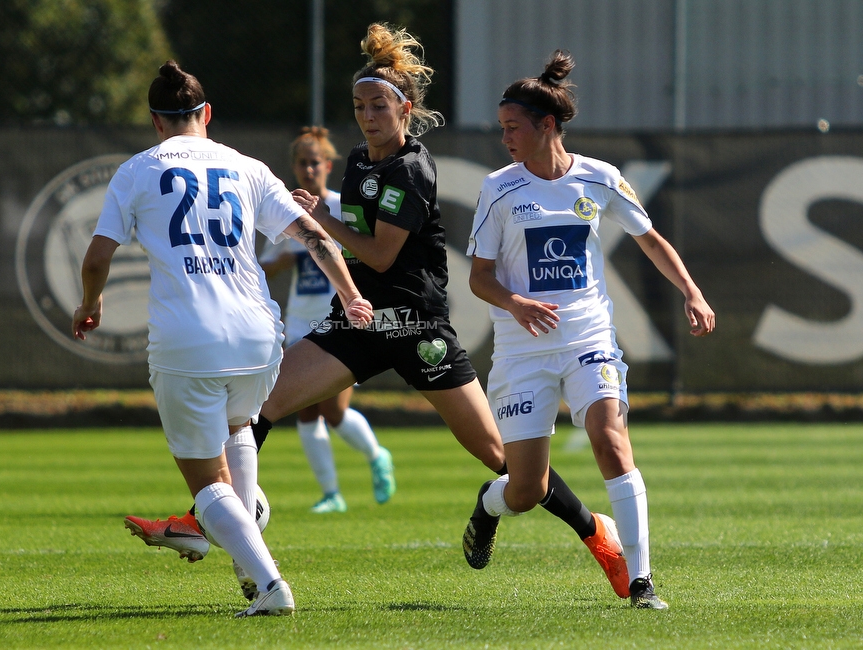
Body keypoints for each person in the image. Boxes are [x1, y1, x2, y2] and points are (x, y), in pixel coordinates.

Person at [126, 25, 632, 600]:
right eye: (360, 106)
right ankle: (216, 521)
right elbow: (357, 253)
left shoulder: (412, 169)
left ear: (405, 109)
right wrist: (333, 243)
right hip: (363, 322)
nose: (367, 116)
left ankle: (598, 533)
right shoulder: (360, 164)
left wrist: (322, 221)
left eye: (379, 106)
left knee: (506, 463)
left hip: (417, 327)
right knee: (259, 407)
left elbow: (381, 253)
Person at [72, 60, 373, 618]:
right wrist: (351, 294)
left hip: (189, 339)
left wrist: (90, 305)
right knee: (239, 429)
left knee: (207, 482)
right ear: (205, 114)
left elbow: (96, 258)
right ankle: (245, 556)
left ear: (156, 122)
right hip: (260, 334)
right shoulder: (246, 167)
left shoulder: (137, 170)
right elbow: (313, 234)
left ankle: (269, 582)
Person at [465, 50, 716, 609]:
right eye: (501, 127)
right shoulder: (499, 188)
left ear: (547, 125)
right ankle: (489, 506)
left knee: (611, 442)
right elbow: (480, 278)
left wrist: (692, 293)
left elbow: (650, 239)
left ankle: (643, 581)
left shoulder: (600, 177)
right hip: (521, 351)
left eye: (513, 127)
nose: (504, 137)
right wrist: (518, 305)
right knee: (526, 491)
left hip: (588, 339)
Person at [259, 127, 395, 513]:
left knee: (334, 412)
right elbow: (263, 269)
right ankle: (331, 493)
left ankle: (376, 455)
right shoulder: (285, 210)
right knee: (304, 407)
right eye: (301, 163)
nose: (307, 169)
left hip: (339, 320)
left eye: (314, 162)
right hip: (300, 322)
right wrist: (283, 261)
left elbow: (364, 254)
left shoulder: (339, 207)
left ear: (328, 166)